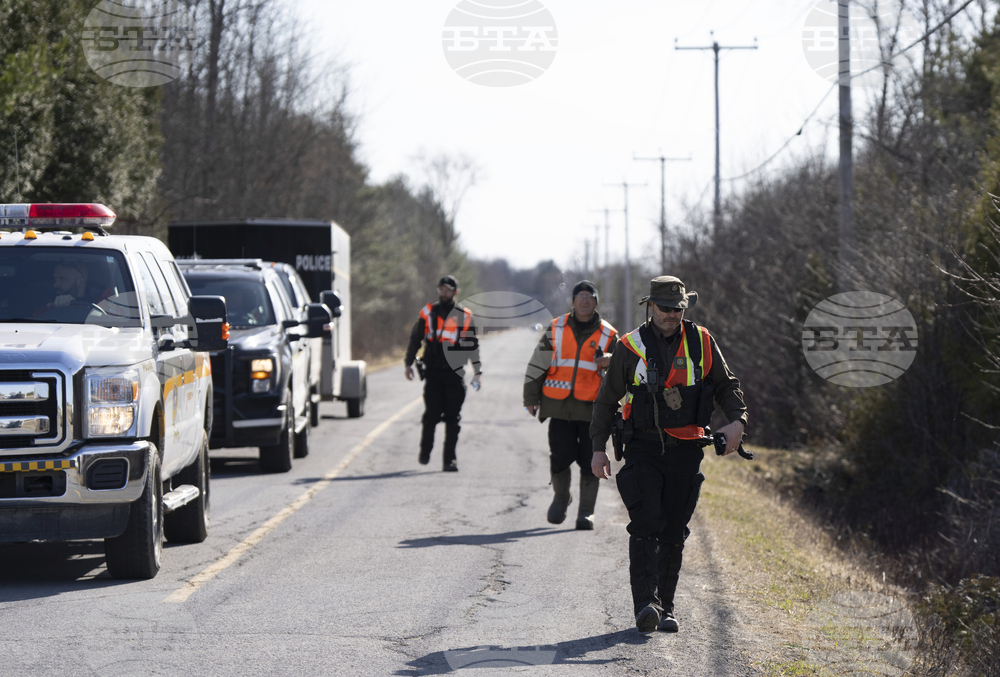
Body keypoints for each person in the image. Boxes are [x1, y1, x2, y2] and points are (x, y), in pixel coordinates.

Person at [590, 276, 749, 634]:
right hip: (643, 446)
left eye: (678, 309)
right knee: (648, 522)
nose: (672, 315)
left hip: (688, 449)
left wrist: (738, 421)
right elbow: (605, 401)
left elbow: (727, 385)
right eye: (665, 308)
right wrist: (598, 449)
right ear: (650, 306)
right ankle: (647, 603)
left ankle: (667, 606)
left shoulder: (703, 341)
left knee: (674, 529)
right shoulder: (630, 346)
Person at [523, 281, 617, 530]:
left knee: (590, 461)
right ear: (573, 301)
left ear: (596, 302)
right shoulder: (556, 328)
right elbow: (537, 364)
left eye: (590, 296)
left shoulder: (609, 334)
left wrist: (611, 360)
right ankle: (561, 497)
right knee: (560, 457)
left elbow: (625, 368)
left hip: (593, 412)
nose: (585, 300)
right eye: (580, 296)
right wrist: (531, 398)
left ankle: (586, 512)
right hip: (559, 408)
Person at [405, 275, 483, 472]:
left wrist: (477, 372)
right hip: (432, 373)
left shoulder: (464, 316)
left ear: (455, 292)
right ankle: (425, 451)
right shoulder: (428, 313)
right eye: (441, 289)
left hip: (454, 375)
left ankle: (450, 460)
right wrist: (408, 363)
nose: (444, 293)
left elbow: (472, 345)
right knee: (431, 415)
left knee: (452, 419)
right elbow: (415, 339)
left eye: (448, 290)